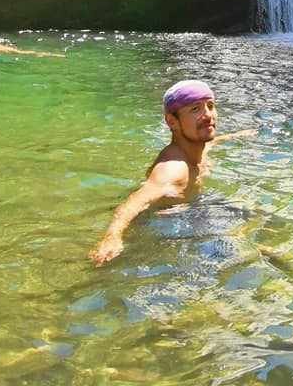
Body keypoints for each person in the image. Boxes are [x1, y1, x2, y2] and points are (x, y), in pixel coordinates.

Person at [87, 79, 255, 266]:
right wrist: (112, 238)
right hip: (164, 232)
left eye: (210, 106)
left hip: (192, 211)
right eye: (195, 109)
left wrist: (235, 136)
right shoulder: (173, 169)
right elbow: (134, 202)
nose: (208, 115)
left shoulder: (196, 148)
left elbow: (210, 143)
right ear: (172, 121)